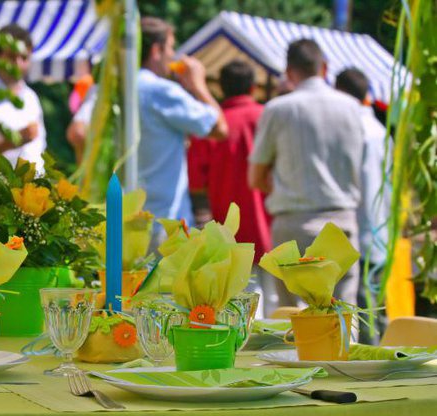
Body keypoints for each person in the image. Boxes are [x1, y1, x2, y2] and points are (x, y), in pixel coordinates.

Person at [248, 39, 364, 308]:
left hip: (293, 222)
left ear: (289, 72)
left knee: (291, 319)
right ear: (325, 67)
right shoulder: (352, 107)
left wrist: (286, 185)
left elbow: (255, 177)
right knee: (344, 312)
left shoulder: (279, 109)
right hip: (342, 220)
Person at [188, 60, 276, 317]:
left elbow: (196, 182)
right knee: (278, 298)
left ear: (221, 89)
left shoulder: (210, 126)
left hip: (229, 226)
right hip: (271, 221)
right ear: (252, 86)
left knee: (243, 299)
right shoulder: (267, 117)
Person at [137, 16, 228, 242]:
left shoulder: (114, 88)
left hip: (123, 220)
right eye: (171, 47)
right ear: (156, 50)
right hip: (164, 222)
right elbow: (219, 128)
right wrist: (198, 85)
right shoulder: (160, 90)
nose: (173, 55)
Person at [336, 68, 391, 343]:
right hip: (381, 230)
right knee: (376, 311)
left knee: (360, 313)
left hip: (358, 229)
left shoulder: (352, 129)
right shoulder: (381, 131)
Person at [0, 24, 46, 168]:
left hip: (34, 187)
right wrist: (13, 141)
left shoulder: (31, 97)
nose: (18, 63)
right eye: (12, 56)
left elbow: (39, 150)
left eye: (24, 58)